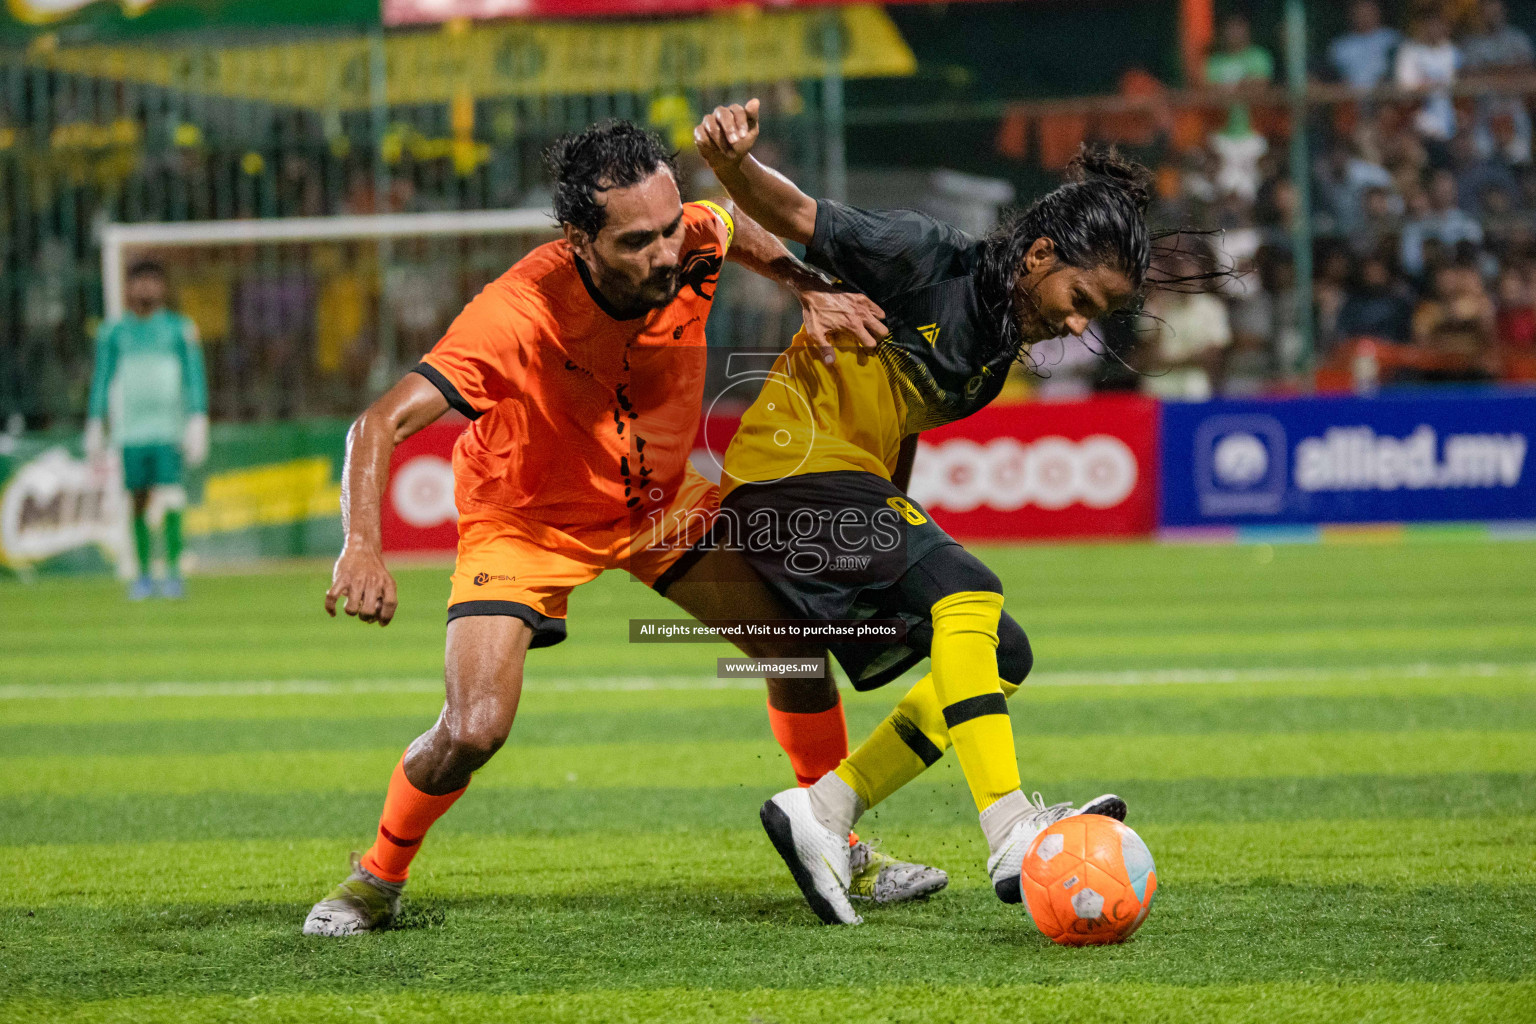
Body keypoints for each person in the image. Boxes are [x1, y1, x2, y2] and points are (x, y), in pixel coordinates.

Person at [302, 121, 941, 937]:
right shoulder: (515, 314)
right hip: (527, 520)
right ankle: (374, 880)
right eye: (637, 241)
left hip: (658, 508)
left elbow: (727, 225)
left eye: (670, 227)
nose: (666, 253)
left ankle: (839, 844)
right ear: (580, 240)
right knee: (472, 730)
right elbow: (379, 422)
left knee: (796, 647)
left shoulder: (693, 237)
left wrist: (808, 285)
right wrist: (361, 543)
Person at [692, 100, 1152, 926]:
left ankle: (824, 812)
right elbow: (795, 214)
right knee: (969, 590)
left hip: (837, 490)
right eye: (1079, 297)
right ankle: (1011, 828)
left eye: (1097, 316)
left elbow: (891, 433)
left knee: (1001, 648)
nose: (1079, 324)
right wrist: (731, 165)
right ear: (1039, 253)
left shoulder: (991, 355)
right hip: (780, 480)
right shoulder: (922, 252)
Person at [84, 259, 209, 600]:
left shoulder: (179, 329)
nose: (146, 288)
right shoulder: (114, 333)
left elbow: (194, 375)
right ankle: (141, 574)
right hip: (131, 431)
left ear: (163, 288)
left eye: (153, 281)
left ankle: (172, 571)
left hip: (169, 427)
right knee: (137, 499)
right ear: (128, 288)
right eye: (139, 281)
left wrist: (198, 417)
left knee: (171, 496)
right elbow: (102, 377)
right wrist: (95, 420)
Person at [1327, 0, 1401, 91]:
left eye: (1368, 10)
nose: (1364, 15)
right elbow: (1333, 77)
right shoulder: (1340, 45)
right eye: (1360, 11)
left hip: (1384, 97)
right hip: (1349, 99)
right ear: (1351, 14)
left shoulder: (1391, 39)